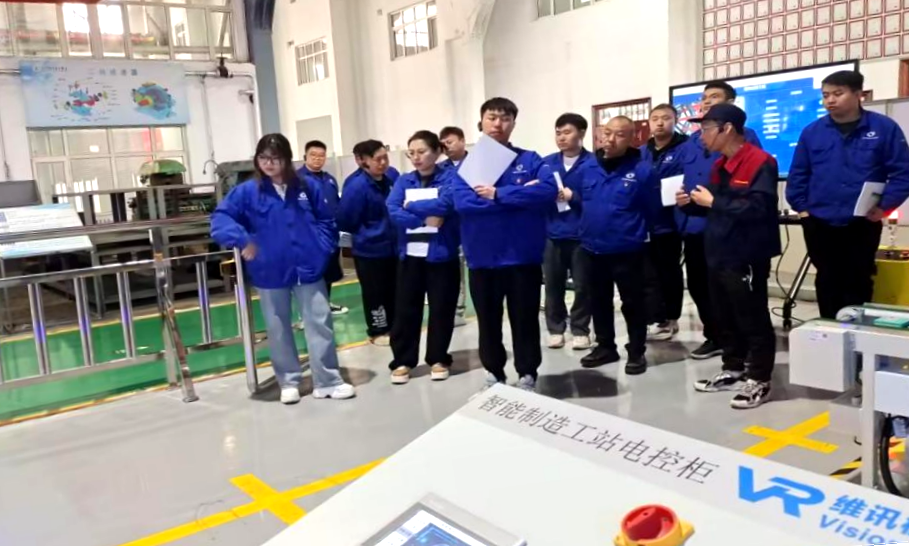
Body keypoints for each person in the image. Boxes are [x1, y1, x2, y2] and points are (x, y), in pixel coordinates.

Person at [211, 134, 354, 404]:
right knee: (277, 327)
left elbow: (327, 221)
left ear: (287, 159)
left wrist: (321, 249)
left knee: (320, 322)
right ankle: (288, 381)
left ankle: (328, 380)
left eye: (275, 158)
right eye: (263, 158)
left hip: (308, 268)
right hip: (269, 270)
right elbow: (221, 218)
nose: (269, 164)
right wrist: (242, 239)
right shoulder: (247, 192)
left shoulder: (307, 186)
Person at [676, 104, 780, 409]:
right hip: (719, 251)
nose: (701, 136)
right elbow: (712, 205)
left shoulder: (760, 162)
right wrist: (688, 203)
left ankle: (759, 378)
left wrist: (713, 202)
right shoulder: (720, 164)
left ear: (727, 129)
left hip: (746, 253)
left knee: (752, 316)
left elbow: (759, 209)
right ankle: (733, 368)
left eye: (706, 129)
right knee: (724, 314)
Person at [451, 97, 557, 392]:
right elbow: (464, 203)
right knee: (488, 321)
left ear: (513, 124)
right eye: (492, 117)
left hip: (523, 256)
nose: (498, 124)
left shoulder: (530, 160)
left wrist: (498, 194)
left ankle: (527, 372)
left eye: (505, 118)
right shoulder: (468, 166)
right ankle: (494, 371)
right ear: (482, 122)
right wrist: (520, 197)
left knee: (525, 320)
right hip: (483, 257)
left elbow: (548, 190)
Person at [787, 70, 909, 319]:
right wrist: (803, 210)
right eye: (825, 95)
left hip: (862, 221)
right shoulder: (812, 132)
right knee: (827, 280)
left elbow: (902, 173)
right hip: (820, 221)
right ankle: (829, 331)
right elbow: (798, 174)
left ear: (858, 94)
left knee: (859, 279)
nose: (830, 100)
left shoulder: (884, 128)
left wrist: (884, 206)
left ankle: (856, 332)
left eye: (837, 93)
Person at [677, 80, 763, 360]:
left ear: (730, 103)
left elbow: (747, 186)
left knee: (735, 291)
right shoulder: (691, 142)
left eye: (714, 97)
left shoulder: (745, 139)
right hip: (696, 225)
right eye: (703, 97)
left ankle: (744, 344)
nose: (706, 102)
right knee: (701, 286)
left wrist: (714, 202)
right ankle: (715, 336)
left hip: (729, 228)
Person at [577, 116, 658, 375]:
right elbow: (581, 202)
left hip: (628, 250)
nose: (610, 139)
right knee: (598, 301)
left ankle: (636, 351)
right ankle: (605, 347)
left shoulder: (643, 171)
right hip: (592, 248)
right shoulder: (588, 167)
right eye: (607, 132)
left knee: (632, 303)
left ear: (632, 138)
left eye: (620, 135)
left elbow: (653, 209)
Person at [385, 131, 462, 384]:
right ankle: (403, 360)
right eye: (411, 153)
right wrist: (422, 220)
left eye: (421, 152)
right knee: (406, 309)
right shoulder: (404, 181)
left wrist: (412, 206)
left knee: (442, 308)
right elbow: (393, 209)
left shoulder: (451, 177)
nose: (416, 158)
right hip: (410, 255)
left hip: (442, 254)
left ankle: (438, 358)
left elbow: (447, 204)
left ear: (436, 152)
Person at [336, 140, 400, 346]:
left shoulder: (392, 177)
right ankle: (378, 330)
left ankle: (396, 327)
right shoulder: (356, 186)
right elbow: (345, 219)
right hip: (369, 250)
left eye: (385, 158)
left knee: (395, 290)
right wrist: (369, 232)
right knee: (375, 293)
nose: (383, 163)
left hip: (394, 247)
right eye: (377, 159)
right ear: (362, 161)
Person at [541, 113, 595, 351]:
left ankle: (581, 329)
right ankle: (555, 329)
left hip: (582, 234)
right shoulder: (546, 164)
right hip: (552, 233)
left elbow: (599, 197)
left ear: (581, 133)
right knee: (553, 284)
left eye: (567, 132)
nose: (561, 138)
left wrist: (575, 197)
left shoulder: (593, 163)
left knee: (583, 285)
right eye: (558, 133)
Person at [641, 104, 687, 341]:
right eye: (655, 118)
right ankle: (654, 317)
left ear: (675, 120)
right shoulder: (641, 151)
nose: (660, 123)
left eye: (666, 118)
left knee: (669, 272)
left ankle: (671, 317)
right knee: (648, 274)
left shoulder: (686, 147)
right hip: (645, 223)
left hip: (672, 221)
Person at [298, 140, 348, 316]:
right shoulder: (298, 180)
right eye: (313, 155)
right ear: (305, 157)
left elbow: (336, 204)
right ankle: (307, 311)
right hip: (310, 237)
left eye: (321, 156)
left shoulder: (329, 179)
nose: (317, 159)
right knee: (313, 274)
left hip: (331, 235)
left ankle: (326, 303)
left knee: (329, 271)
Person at [439, 126, 469, 328]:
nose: (446, 147)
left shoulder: (477, 165)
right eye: (443, 144)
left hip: (474, 225)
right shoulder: (440, 169)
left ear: (462, 140)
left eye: (450, 142)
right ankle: (457, 311)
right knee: (455, 270)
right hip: (451, 227)